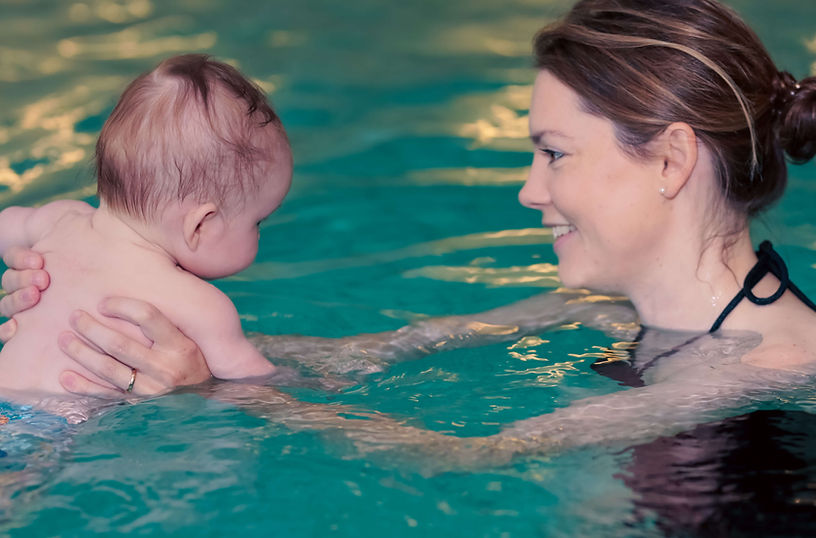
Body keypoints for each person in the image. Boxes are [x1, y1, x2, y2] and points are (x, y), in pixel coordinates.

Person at [2, 0, 816, 455]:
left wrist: (209, 388)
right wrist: (97, 313)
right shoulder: (616, 317)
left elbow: (462, 457)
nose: (530, 192)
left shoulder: (767, 365)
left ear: (671, 161)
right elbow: (386, 351)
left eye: (553, 153)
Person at [0, 54, 291, 404]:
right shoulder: (203, 307)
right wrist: (319, 385)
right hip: (55, 431)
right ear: (199, 225)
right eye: (257, 221)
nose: (259, 233)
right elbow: (255, 386)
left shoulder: (57, 220)